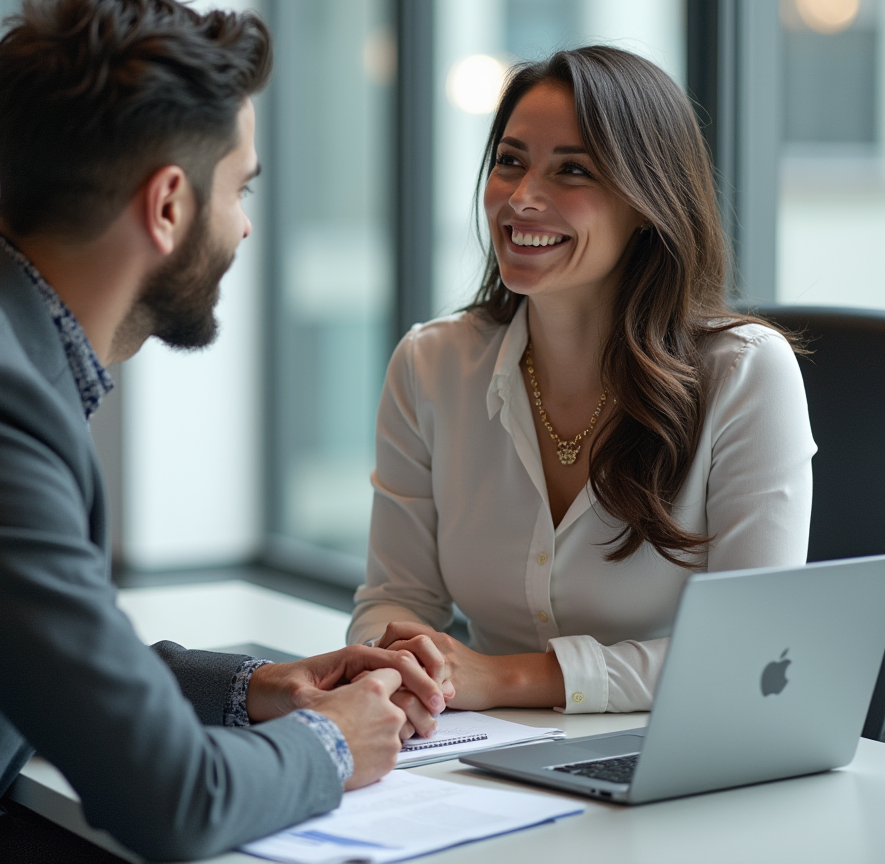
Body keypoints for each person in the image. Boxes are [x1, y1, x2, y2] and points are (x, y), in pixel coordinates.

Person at [0, 0, 448, 864]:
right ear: (169, 204)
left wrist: (262, 687)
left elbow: (48, 650)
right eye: (239, 190)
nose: (245, 229)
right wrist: (333, 742)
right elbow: (171, 801)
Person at [348, 47, 815, 716]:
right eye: (510, 161)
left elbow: (753, 647)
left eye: (573, 170)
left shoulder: (745, 374)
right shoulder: (430, 365)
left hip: (681, 752)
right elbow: (395, 598)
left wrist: (507, 679)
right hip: (482, 753)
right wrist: (404, 668)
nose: (521, 198)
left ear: (648, 202)